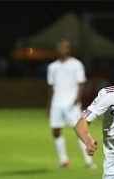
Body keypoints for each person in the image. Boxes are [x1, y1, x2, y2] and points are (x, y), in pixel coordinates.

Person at [46, 39, 96, 169]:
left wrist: (78, 99)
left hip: (71, 103)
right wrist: (49, 105)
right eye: (60, 48)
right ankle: (63, 160)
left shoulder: (76, 64)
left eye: (65, 48)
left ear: (69, 49)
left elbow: (81, 83)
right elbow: (51, 87)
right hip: (57, 103)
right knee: (56, 130)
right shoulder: (53, 67)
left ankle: (88, 161)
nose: (62, 50)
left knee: (79, 130)